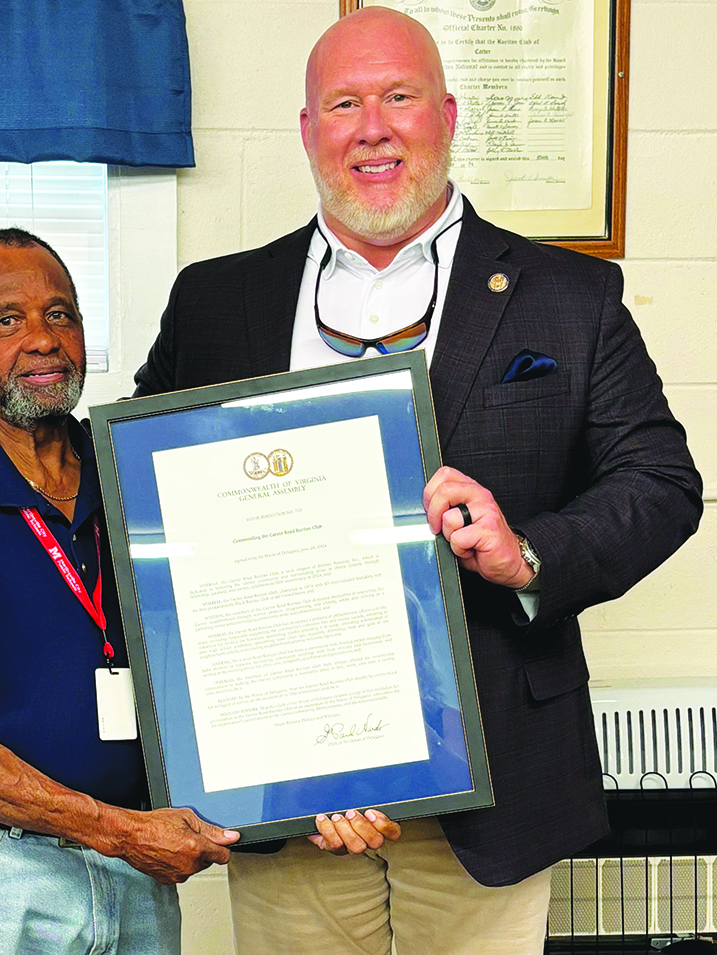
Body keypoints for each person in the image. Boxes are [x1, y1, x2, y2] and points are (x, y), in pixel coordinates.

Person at [132, 9, 703, 955]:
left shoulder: (571, 296)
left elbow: (661, 481)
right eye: (344, 104)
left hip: (496, 789)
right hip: (290, 792)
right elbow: (144, 504)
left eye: (398, 97)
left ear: (446, 113)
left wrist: (527, 553)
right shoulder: (218, 299)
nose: (373, 127)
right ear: (308, 131)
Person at [0, 228, 239, 955]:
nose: (43, 339)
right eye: (7, 320)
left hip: (133, 874)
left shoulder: (138, 476)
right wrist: (116, 828)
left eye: (61, 314)